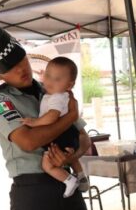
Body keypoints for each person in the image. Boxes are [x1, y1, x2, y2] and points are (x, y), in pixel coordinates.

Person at [0, 26, 91, 210]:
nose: (21, 69)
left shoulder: (50, 87)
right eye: (10, 68)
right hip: (33, 191)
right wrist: (70, 117)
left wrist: (72, 156)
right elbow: (28, 141)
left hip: (66, 181)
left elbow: (84, 138)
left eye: (22, 61)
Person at [21, 56, 89, 198]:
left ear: (69, 85)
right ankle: (81, 175)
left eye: (57, 79)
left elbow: (52, 116)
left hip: (60, 137)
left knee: (48, 165)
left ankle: (69, 180)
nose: (50, 81)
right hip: (70, 134)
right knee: (72, 156)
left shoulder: (57, 97)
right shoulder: (58, 94)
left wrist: (34, 122)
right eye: (48, 76)